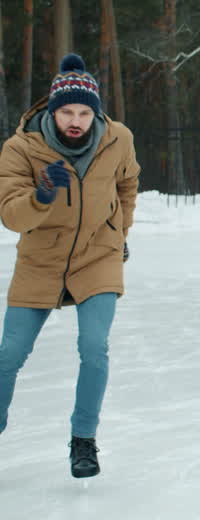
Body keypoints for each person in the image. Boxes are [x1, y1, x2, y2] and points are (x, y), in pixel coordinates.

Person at [0, 53, 140, 478]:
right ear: (52, 110)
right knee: (9, 355)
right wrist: (41, 196)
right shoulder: (21, 148)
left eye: (84, 112)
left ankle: (84, 441)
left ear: (95, 112)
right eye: (67, 112)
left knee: (94, 348)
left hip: (97, 257)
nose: (76, 120)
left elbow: (128, 181)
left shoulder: (118, 138)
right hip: (40, 260)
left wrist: (120, 232)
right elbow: (11, 216)